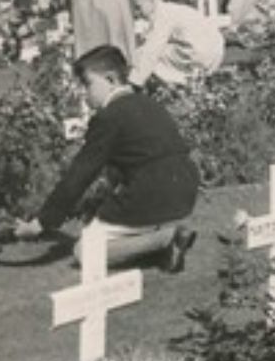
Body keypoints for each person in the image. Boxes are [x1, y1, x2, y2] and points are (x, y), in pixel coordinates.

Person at [10, 46, 199, 272]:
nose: (84, 93)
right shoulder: (150, 104)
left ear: (110, 79)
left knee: (85, 251)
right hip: (185, 190)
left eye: (88, 84)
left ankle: (164, 240)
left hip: (150, 193)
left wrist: (41, 223)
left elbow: (79, 176)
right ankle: (165, 238)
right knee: (125, 222)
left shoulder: (109, 117)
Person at [128, 0, 225, 89]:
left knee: (145, 54)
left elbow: (153, 49)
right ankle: (188, 83)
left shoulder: (163, 14)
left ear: (152, 1)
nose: (136, 12)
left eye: (138, 6)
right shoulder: (171, 9)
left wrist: (135, 81)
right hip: (214, 50)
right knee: (149, 53)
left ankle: (183, 84)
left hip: (200, 53)